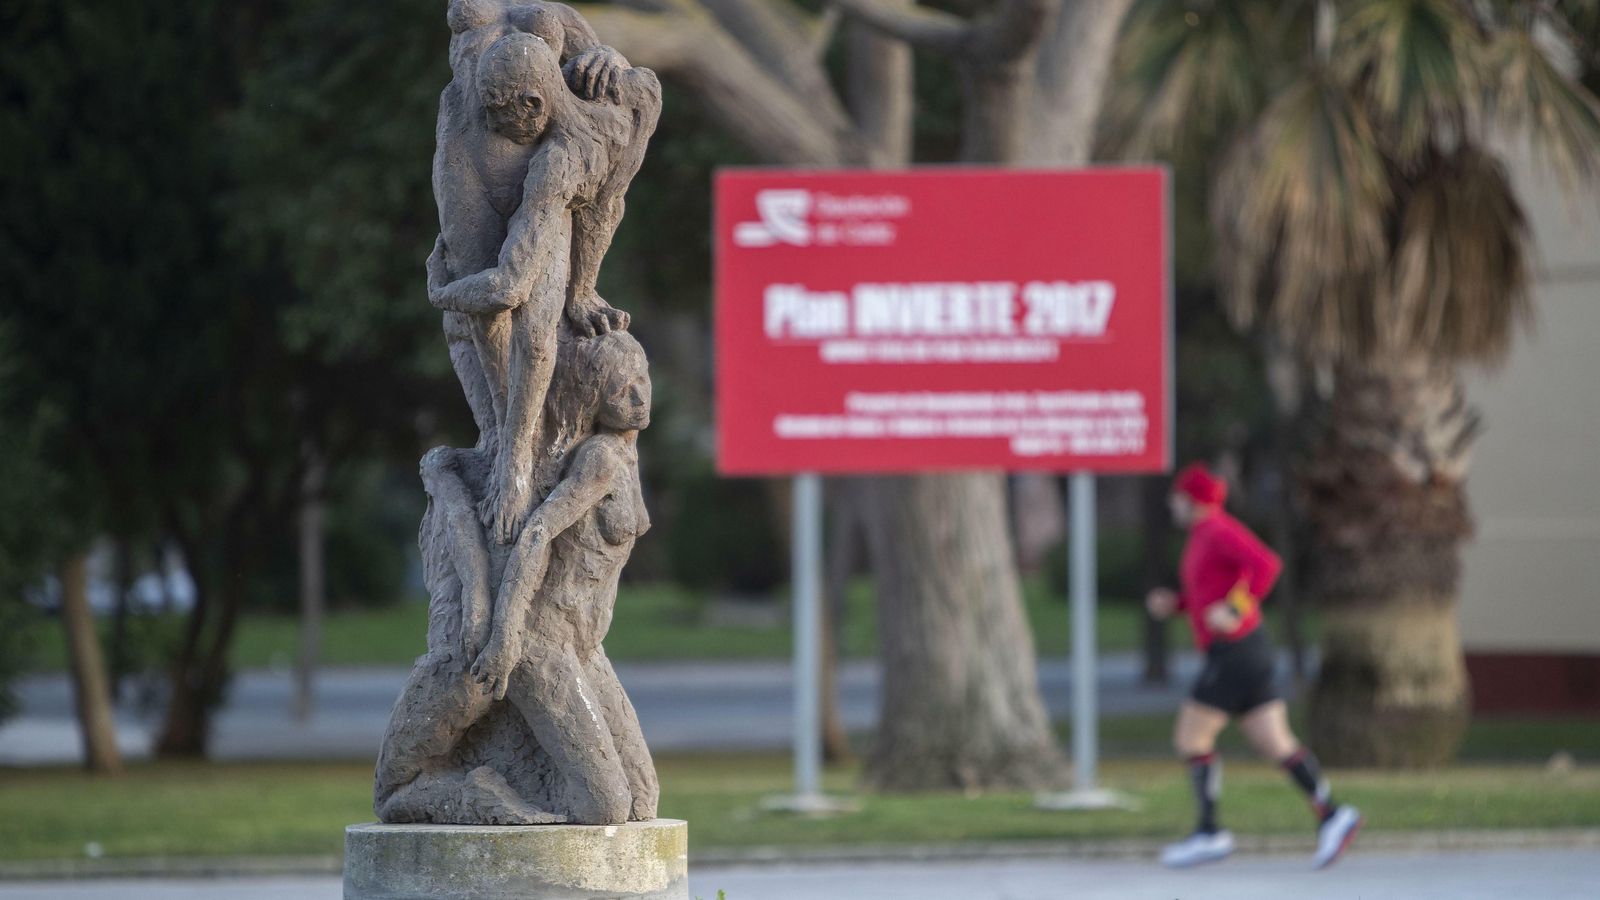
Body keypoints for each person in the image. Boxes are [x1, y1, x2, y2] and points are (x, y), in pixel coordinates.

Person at [1147, 463, 1362, 869]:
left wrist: (1234, 607)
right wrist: (1176, 605)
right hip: (1247, 651)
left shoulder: (1217, 530)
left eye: (1176, 496)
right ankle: (1334, 816)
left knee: (1191, 739)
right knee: (1275, 742)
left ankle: (1210, 833)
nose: (1170, 503)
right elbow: (1210, 591)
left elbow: (1267, 565)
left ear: (1192, 500)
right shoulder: (1201, 536)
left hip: (1235, 653)